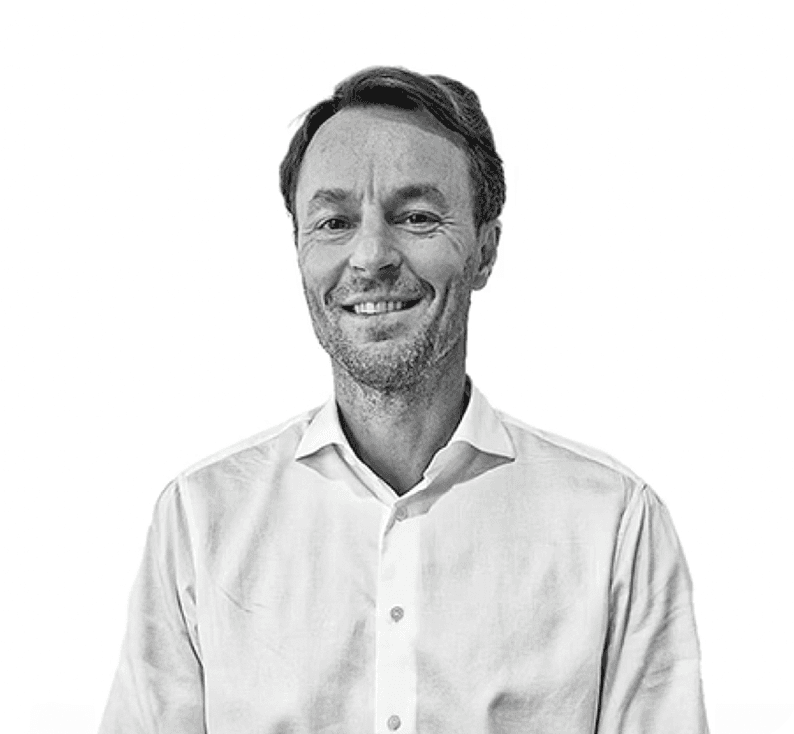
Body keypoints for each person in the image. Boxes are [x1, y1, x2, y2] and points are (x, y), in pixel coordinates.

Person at [99, 66, 709, 733]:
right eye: (333, 221)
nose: (370, 256)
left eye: (417, 216)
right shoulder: (199, 520)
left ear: (484, 251)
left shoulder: (614, 526)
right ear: (299, 251)